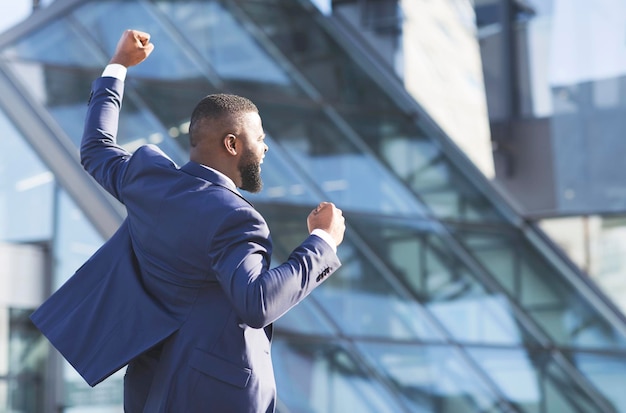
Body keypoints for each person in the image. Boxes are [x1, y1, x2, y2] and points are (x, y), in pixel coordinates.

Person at [30, 29, 345, 412]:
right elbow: (257, 301)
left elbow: (96, 148)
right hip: (217, 399)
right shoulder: (236, 219)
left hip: (152, 389)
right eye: (259, 138)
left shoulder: (148, 182)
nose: (264, 148)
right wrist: (322, 242)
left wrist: (118, 66)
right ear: (232, 144)